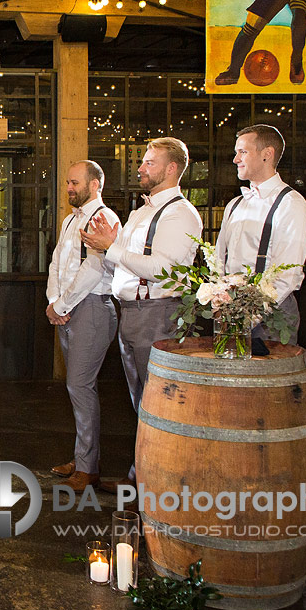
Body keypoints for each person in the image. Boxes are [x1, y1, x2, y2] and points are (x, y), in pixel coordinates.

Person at [82, 138, 202, 490]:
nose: (140, 167)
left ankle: (158, 485)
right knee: (140, 401)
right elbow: (124, 262)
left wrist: (112, 249)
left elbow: (161, 268)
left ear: (171, 169)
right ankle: (141, 477)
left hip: (158, 312)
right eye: (143, 162)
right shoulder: (141, 211)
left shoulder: (181, 214)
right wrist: (108, 248)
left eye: (149, 162)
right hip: (131, 312)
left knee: (159, 403)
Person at [45, 161, 121, 491]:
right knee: (75, 389)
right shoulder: (68, 221)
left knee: (80, 386)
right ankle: (82, 457)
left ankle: (88, 468)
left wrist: (61, 305)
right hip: (66, 309)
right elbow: (56, 264)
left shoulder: (104, 219)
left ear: (95, 185)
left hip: (92, 309)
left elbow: (92, 270)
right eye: (67, 183)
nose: (69, 188)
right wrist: (52, 303)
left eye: (74, 183)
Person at [215, 124, 306, 343]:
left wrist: (247, 316)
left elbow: (287, 276)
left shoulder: (290, 204)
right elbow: (219, 258)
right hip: (230, 312)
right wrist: (221, 304)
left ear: (267, 154)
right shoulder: (235, 204)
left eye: (243, 152)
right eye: (236, 153)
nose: (235, 159)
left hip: (272, 316)